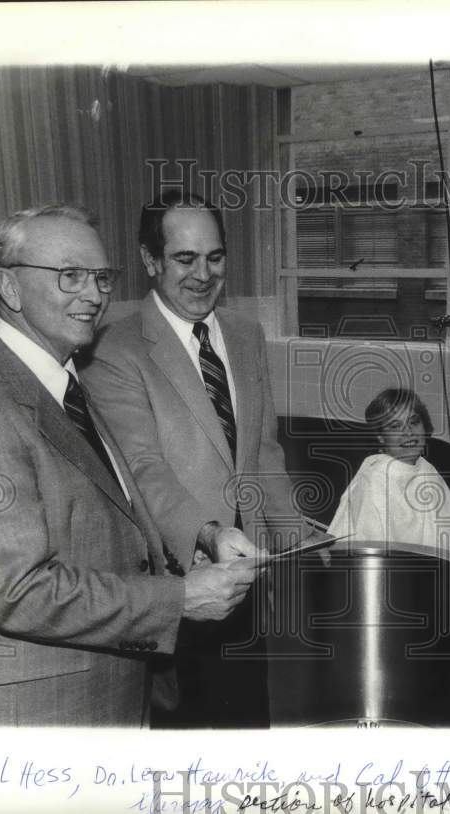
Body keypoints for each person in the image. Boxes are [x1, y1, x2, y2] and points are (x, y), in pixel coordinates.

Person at [0, 204, 259, 727]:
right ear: (8, 286)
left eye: (101, 277)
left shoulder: (66, 386)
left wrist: (202, 541)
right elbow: (18, 592)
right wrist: (178, 598)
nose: (94, 295)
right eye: (70, 275)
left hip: (103, 695)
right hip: (33, 721)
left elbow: (115, 524)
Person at [81, 191, 301, 727]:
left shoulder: (245, 334)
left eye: (215, 257)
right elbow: (142, 469)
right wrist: (206, 534)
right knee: (188, 744)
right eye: (185, 259)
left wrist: (298, 537)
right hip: (181, 580)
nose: (203, 275)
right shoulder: (112, 350)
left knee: (248, 731)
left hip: (251, 578)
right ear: (150, 260)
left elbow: (263, 449)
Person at [327, 387, 450, 559]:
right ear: (380, 437)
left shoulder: (427, 470)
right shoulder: (374, 481)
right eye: (395, 426)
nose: (408, 432)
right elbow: (371, 558)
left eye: (414, 422)